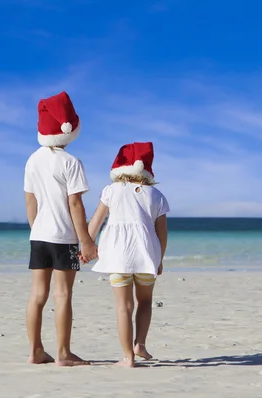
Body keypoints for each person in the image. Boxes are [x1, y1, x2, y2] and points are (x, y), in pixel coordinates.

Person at [24, 91, 98, 367]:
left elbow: (30, 200)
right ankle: (64, 353)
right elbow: (75, 205)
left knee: (37, 295)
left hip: (39, 235)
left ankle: (35, 351)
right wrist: (87, 241)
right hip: (64, 237)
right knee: (63, 294)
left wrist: (36, 230)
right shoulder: (71, 162)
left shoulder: (32, 160)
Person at [86, 142, 169, 368]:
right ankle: (140, 343)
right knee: (145, 301)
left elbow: (96, 222)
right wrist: (159, 258)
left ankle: (127, 357)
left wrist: (87, 246)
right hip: (147, 255)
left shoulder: (111, 190)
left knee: (124, 307)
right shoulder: (157, 195)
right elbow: (162, 233)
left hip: (117, 255)